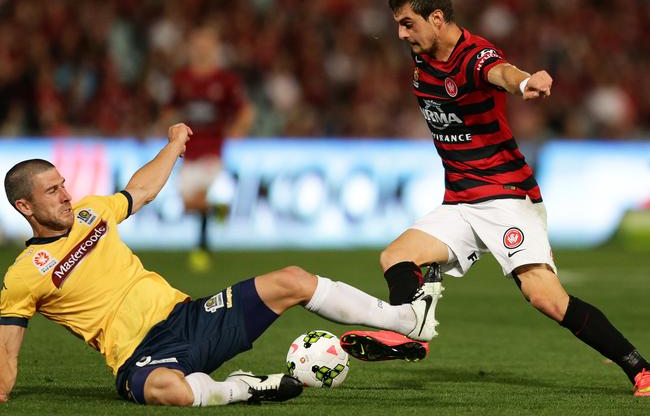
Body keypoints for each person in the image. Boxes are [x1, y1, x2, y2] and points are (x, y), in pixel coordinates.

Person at [340, 0, 650, 397]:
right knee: (396, 256)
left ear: (436, 17)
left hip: (507, 195)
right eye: (397, 23)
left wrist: (525, 82)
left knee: (545, 297)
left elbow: (501, 72)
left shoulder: (473, 54)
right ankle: (411, 327)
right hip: (460, 202)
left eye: (407, 22)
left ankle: (641, 369)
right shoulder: (424, 55)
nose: (399, 33)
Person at [0, 123, 437, 407]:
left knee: (293, 280)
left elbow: (142, 189)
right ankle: (244, 388)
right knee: (165, 390)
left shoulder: (91, 213)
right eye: (52, 191)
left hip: (189, 316)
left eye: (62, 185)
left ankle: (405, 319)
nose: (65, 195)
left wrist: (174, 145)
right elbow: (6, 352)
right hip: (140, 353)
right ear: (25, 205)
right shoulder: (24, 275)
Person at [166, 24, 254, 271]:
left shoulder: (225, 80)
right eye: (198, 43)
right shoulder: (182, 78)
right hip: (187, 148)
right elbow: (171, 108)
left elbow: (245, 110)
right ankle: (218, 209)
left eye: (207, 43)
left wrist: (238, 129)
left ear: (215, 47)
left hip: (212, 149)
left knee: (198, 197)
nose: (202, 48)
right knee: (188, 204)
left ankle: (201, 249)